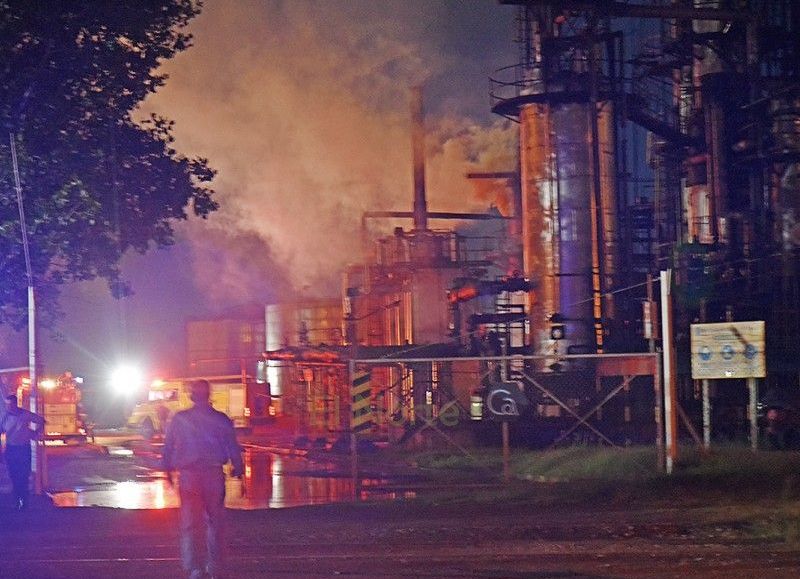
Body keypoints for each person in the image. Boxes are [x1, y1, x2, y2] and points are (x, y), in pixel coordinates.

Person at [162, 379, 244, 579]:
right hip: (213, 474)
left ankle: (194, 568)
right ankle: (214, 566)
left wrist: (167, 470)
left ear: (191, 396)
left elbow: (168, 446)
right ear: (208, 395)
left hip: (189, 475)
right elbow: (232, 445)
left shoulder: (180, 419)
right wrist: (238, 470)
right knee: (215, 522)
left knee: (190, 522)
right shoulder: (220, 419)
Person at [1, 394, 45, 510]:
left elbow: (41, 421)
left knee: (24, 475)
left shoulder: (25, 415)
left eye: (10, 405)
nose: (8, 407)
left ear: (15, 404)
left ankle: (24, 501)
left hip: (23, 448)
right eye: (7, 405)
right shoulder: (5, 417)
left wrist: (35, 433)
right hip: (11, 449)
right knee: (14, 475)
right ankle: (17, 501)